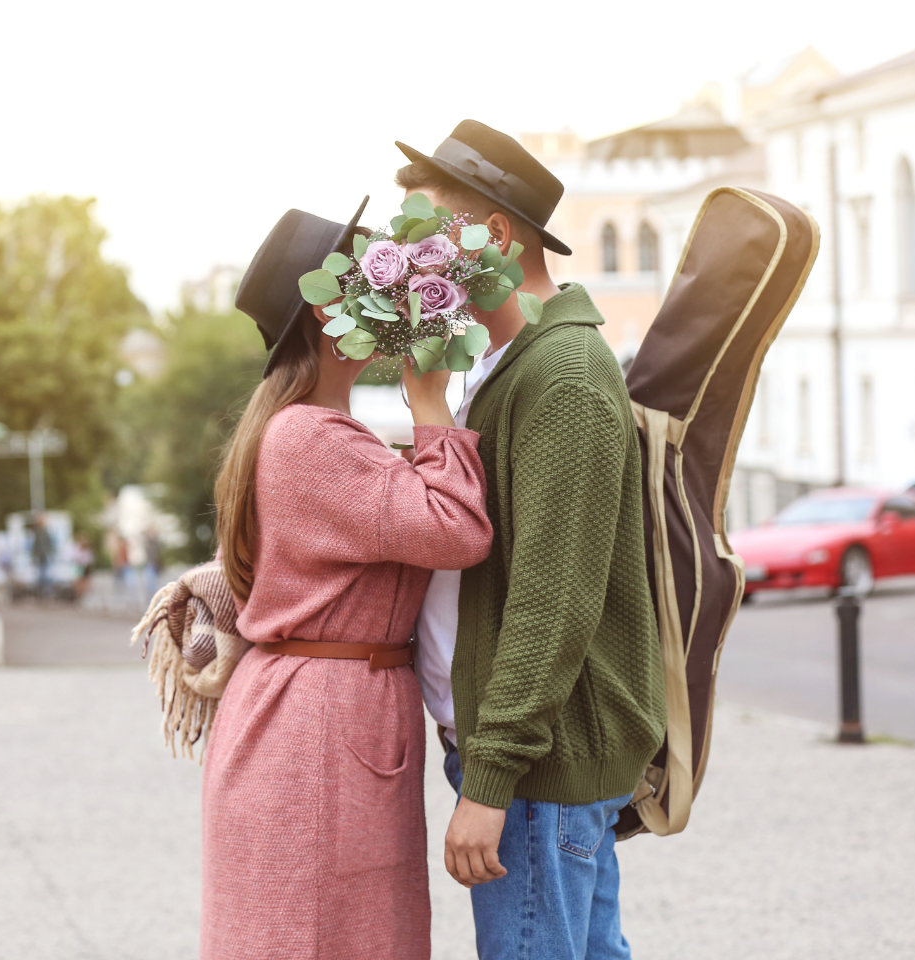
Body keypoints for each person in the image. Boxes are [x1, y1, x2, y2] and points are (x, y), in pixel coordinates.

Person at [397, 121, 666, 959]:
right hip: (524, 770)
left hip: (532, 776)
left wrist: (491, 779)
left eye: (424, 233)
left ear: (494, 237)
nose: (410, 260)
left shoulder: (566, 377)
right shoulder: (506, 366)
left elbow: (554, 603)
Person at [200, 199, 493, 960]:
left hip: (327, 711)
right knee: (320, 936)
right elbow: (455, 530)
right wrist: (431, 409)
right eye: (360, 282)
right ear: (329, 313)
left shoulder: (304, 427)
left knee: (343, 933)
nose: (381, 296)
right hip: (318, 725)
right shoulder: (308, 436)